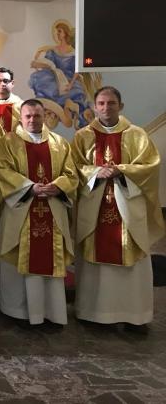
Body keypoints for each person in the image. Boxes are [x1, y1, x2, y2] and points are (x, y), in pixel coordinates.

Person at [71, 86, 163, 328]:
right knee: (95, 260)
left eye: (111, 103)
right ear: (94, 107)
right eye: (101, 103)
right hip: (95, 208)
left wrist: (121, 170)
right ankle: (94, 313)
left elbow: (150, 166)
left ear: (120, 106)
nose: (106, 108)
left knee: (131, 259)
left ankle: (135, 316)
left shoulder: (137, 135)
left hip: (127, 207)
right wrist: (95, 172)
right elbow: (73, 167)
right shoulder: (83, 136)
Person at [0, 99, 78, 326]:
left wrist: (58, 186)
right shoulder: (8, 142)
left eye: (37, 116)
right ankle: (17, 311)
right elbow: (1, 170)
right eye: (28, 116)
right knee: (18, 260)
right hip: (20, 209)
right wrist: (28, 187)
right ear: (21, 118)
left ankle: (52, 312)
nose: (32, 120)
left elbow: (71, 174)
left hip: (52, 208)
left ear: (45, 116)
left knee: (50, 257)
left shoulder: (59, 143)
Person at [29, 20, 99, 129]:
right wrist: (43, 65)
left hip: (69, 79)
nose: (57, 34)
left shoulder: (73, 52)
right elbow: (48, 64)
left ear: (65, 33)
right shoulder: (53, 50)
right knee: (45, 82)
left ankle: (69, 110)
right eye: (56, 32)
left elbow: (77, 70)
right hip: (54, 77)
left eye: (59, 31)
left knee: (72, 92)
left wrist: (71, 84)